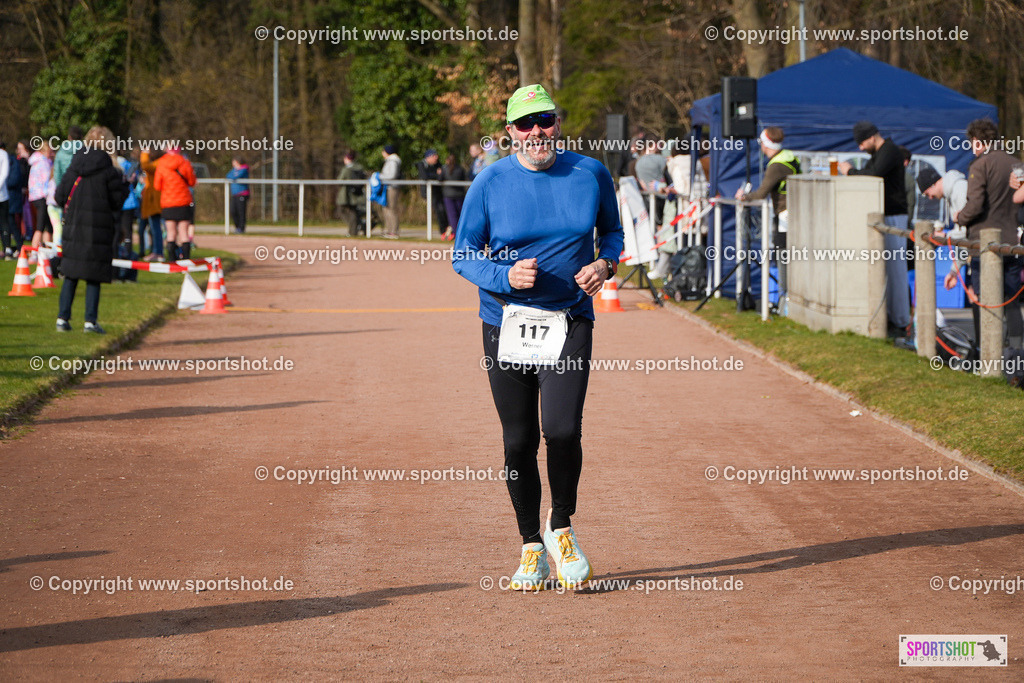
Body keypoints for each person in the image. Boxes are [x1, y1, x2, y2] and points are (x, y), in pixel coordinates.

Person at [452, 84, 624, 591]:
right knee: (518, 440)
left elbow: (611, 233)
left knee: (564, 430)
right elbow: (464, 255)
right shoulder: (489, 182)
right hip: (505, 323)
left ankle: (561, 526)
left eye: (544, 120)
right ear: (509, 133)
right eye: (525, 124)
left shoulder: (590, 172)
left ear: (557, 122)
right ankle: (531, 546)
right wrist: (506, 279)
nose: (536, 132)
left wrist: (604, 265)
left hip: (570, 319)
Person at [950, 118, 1024, 349]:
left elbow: (975, 204)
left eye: (972, 142)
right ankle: (1017, 355)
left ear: (978, 142)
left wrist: (959, 217)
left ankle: (985, 351)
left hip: (984, 242)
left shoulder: (979, 165)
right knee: (1011, 300)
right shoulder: (1016, 164)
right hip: (1013, 241)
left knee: (983, 299)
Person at [838, 121, 911, 338]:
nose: (860, 148)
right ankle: (891, 316)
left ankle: (900, 321)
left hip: (894, 216)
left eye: (861, 142)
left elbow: (873, 174)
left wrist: (850, 171)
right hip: (886, 215)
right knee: (887, 268)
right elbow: (872, 170)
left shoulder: (889, 151)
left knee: (896, 269)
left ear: (871, 137)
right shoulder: (881, 152)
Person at [53, 126, 129, 334]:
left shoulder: (74, 166)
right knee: (93, 275)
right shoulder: (110, 171)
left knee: (70, 273)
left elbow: (59, 196)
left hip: (75, 226)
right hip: (99, 228)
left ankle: (62, 317)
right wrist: (125, 187)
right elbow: (116, 202)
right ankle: (90, 321)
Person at [735, 127, 801, 300]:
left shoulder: (776, 165)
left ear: (765, 144)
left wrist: (744, 196)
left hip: (785, 215)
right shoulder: (789, 156)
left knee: (783, 255)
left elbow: (761, 193)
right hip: (794, 212)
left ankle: (784, 298)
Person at [153, 145, 196, 259]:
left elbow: (157, 186)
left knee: (171, 233)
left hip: (168, 203)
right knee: (184, 233)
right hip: (183, 202)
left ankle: (172, 262)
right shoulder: (185, 162)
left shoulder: (161, 164)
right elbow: (192, 182)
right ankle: (186, 261)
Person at [28, 141, 54, 253]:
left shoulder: (35, 162)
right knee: (40, 225)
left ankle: (47, 250)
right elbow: (48, 180)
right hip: (43, 196)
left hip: (35, 196)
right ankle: (34, 251)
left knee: (48, 225)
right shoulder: (44, 163)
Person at [138, 147, 163, 261]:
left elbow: (145, 165)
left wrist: (144, 153)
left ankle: (158, 252)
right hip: (156, 200)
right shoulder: (160, 164)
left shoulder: (157, 165)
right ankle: (156, 251)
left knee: (155, 228)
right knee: (155, 228)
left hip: (155, 201)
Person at [416, 149, 447, 235]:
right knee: (438, 210)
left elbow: (442, 176)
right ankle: (443, 231)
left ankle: (446, 230)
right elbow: (425, 176)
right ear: (428, 157)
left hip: (438, 192)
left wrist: (436, 175)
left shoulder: (438, 164)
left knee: (443, 210)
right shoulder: (421, 164)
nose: (436, 158)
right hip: (429, 193)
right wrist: (436, 174)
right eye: (434, 156)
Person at [336, 150, 367, 237]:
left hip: (347, 194)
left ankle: (353, 230)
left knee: (346, 211)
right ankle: (357, 227)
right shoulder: (359, 167)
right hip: (358, 193)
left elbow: (340, 181)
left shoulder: (347, 169)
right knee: (353, 211)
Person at [378, 144, 402, 239]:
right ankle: (389, 230)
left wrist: (379, 176)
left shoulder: (393, 161)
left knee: (391, 208)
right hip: (387, 187)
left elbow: (392, 175)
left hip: (392, 187)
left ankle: (394, 231)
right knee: (386, 208)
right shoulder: (389, 161)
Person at [440, 153, 466, 240]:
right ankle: (461, 233)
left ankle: (456, 233)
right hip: (459, 195)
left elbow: (440, 179)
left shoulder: (444, 169)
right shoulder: (460, 169)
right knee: (460, 215)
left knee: (452, 216)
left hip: (448, 195)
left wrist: (439, 173)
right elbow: (464, 178)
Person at [226, 156, 250, 233]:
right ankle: (237, 227)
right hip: (235, 194)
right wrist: (235, 172)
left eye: (234, 162)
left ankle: (241, 228)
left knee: (241, 212)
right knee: (233, 211)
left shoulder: (244, 169)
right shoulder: (234, 170)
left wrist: (235, 174)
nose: (233, 163)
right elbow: (228, 176)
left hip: (242, 193)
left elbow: (236, 176)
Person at [0, 142, 11, 259]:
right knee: (4, 222)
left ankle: (7, 247)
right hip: (2, 194)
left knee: (4, 222)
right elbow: (4, 173)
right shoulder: (3, 154)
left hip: (2, 194)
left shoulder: (2, 154)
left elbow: (4, 173)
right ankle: (7, 248)